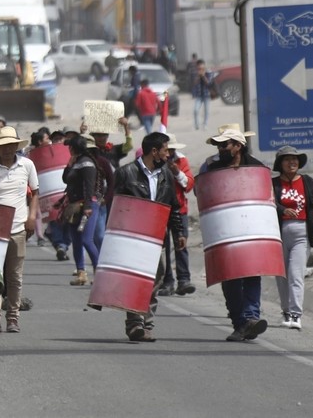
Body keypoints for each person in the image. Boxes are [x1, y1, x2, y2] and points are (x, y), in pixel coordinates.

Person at [113, 132, 184, 342]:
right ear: (154, 151)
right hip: (132, 238)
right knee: (135, 280)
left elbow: (173, 207)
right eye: (165, 150)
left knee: (155, 279)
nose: (167, 154)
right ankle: (135, 323)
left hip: (156, 237)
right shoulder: (126, 173)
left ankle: (146, 321)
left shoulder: (166, 175)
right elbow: (116, 207)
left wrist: (178, 232)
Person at [199, 128, 268, 341]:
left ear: (238, 146)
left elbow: (266, 196)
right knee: (229, 277)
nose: (220, 149)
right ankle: (240, 322)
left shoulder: (256, 167)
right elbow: (201, 191)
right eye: (218, 145)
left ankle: (251, 317)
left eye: (225, 144)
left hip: (250, 228)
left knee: (251, 273)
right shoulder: (211, 167)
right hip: (224, 230)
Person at [0, 127, 39, 334]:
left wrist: (32, 218)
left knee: (15, 276)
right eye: (2, 146)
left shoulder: (27, 165)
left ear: (16, 146)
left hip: (18, 229)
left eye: (10, 145)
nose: (6, 149)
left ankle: (13, 317)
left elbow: (35, 194)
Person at [272, 146, 313, 331]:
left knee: (295, 274)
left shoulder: (308, 181)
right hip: (279, 233)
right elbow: (269, 202)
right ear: (280, 163)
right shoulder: (274, 183)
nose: (292, 162)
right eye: (287, 159)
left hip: (302, 233)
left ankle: (295, 314)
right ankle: (285, 311)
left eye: (295, 159)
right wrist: (283, 210)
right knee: (281, 275)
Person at [157, 134, 195, 297]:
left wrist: (177, 172)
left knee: (181, 244)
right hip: (162, 208)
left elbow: (188, 185)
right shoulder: (157, 162)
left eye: (171, 150)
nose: (169, 153)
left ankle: (184, 279)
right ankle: (167, 281)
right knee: (164, 246)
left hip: (179, 209)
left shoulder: (181, 161)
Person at [62, 135, 102, 287]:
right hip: (74, 206)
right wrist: (68, 165)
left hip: (87, 206)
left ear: (73, 147)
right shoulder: (76, 162)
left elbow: (89, 186)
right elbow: (65, 179)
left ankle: (99, 273)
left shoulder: (87, 163)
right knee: (76, 240)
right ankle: (81, 273)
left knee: (87, 239)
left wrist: (87, 207)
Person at [191, 59, 216, 130]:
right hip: (198, 95)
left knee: (206, 111)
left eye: (202, 68)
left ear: (204, 67)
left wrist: (203, 76)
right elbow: (193, 84)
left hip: (207, 94)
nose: (200, 69)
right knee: (196, 110)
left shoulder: (209, 73)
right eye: (199, 68)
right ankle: (196, 125)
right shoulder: (195, 74)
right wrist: (199, 76)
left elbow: (209, 84)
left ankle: (205, 124)